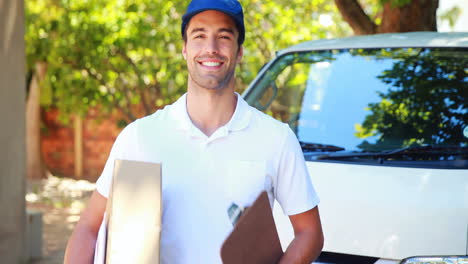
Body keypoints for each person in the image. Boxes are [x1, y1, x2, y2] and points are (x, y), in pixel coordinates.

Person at [64, 0, 324, 263]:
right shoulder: (140, 137)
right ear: (185, 49)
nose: (211, 48)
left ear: (239, 51)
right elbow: (88, 228)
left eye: (224, 36)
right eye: (199, 35)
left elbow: (309, 232)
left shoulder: (276, 138)